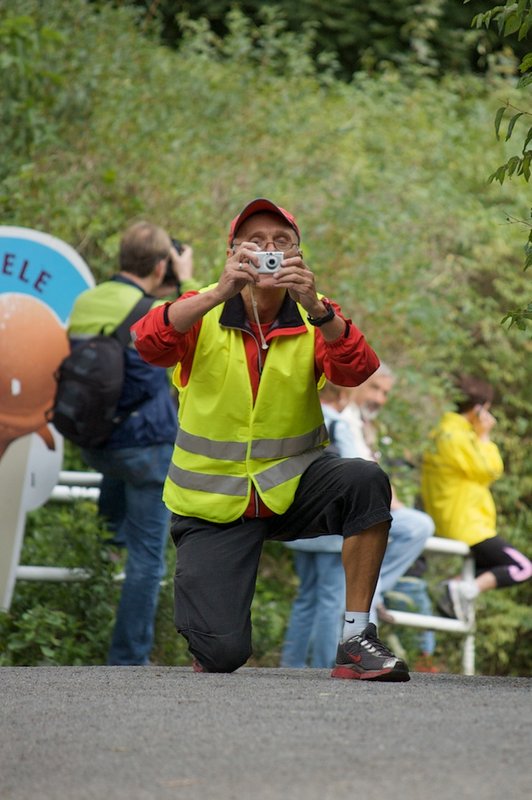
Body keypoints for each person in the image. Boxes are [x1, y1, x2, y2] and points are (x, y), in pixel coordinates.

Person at [131, 197, 410, 681]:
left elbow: (357, 369)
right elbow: (148, 343)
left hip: (291, 486)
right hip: (213, 504)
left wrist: (317, 308)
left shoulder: (314, 316)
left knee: (365, 479)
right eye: (255, 243)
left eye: (282, 243)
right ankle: (207, 625)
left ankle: (355, 639)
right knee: (222, 655)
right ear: (232, 252)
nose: (268, 251)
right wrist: (219, 292)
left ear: (298, 258)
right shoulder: (199, 309)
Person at [68, 221, 194, 665]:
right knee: (149, 560)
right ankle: (128, 659)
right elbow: (204, 316)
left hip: (99, 443)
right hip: (146, 449)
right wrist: (187, 275)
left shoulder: (87, 301)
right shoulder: (154, 308)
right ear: (162, 265)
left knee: (122, 529)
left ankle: (111, 535)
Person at [421, 374, 532, 623]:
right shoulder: (456, 437)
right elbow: (490, 469)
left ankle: (456, 587)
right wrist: (484, 437)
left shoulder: (443, 432)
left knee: (496, 566)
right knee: (523, 567)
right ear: (479, 409)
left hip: (457, 520)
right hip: (468, 525)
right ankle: (462, 590)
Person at [342, 364, 435, 627]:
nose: (379, 399)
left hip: (367, 509)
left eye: (385, 393)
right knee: (404, 528)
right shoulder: (343, 419)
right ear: (357, 383)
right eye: (374, 388)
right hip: (349, 511)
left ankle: (374, 593)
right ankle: (370, 597)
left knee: (417, 526)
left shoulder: (364, 424)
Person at [280, 381, 353, 668]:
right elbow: (354, 472)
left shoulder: (298, 422)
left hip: (299, 524)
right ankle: (325, 665)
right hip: (330, 528)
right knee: (331, 601)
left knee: (306, 596)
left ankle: (292, 663)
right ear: (344, 394)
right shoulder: (339, 425)